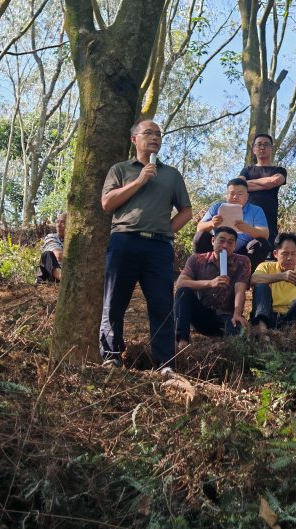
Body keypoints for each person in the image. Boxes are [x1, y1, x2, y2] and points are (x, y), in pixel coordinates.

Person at [99, 119, 192, 369]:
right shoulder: (120, 170)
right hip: (124, 241)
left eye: (158, 134)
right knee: (114, 301)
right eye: (149, 133)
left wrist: (166, 231)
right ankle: (111, 356)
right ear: (134, 139)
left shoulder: (171, 174)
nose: (155, 138)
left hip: (159, 247)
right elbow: (106, 204)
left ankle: (164, 363)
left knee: (162, 304)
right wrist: (139, 181)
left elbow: (186, 211)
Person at [175, 226, 250, 350]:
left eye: (230, 242)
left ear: (234, 246)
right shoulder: (197, 259)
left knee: (238, 335)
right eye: (221, 240)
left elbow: (240, 290)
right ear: (213, 241)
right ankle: (182, 340)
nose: (225, 246)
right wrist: (210, 283)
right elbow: (180, 283)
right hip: (202, 313)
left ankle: (224, 346)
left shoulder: (242, 261)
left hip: (227, 316)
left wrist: (237, 314)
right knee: (183, 292)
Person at [194, 178, 271, 270]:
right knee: (200, 236)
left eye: (240, 194)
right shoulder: (217, 207)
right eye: (232, 193)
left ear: (247, 196)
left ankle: (245, 275)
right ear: (226, 195)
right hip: (217, 247)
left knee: (262, 244)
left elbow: (265, 234)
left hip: (242, 250)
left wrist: (247, 229)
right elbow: (199, 228)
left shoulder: (256, 210)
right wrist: (211, 223)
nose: (235, 197)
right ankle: (201, 271)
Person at [239, 133, 288, 244]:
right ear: (254, 149)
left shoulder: (279, 170)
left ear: (271, 149)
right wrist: (266, 183)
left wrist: (247, 184)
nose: (262, 147)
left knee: (266, 248)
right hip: (247, 216)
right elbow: (238, 186)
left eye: (266, 144)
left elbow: (274, 181)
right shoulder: (246, 170)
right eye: (259, 144)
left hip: (269, 216)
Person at [38, 212, 66, 283]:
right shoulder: (51, 237)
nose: (58, 225)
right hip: (50, 276)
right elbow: (58, 255)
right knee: (47, 254)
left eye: (62, 222)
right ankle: (65, 279)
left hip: (68, 272)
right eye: (57, 222)